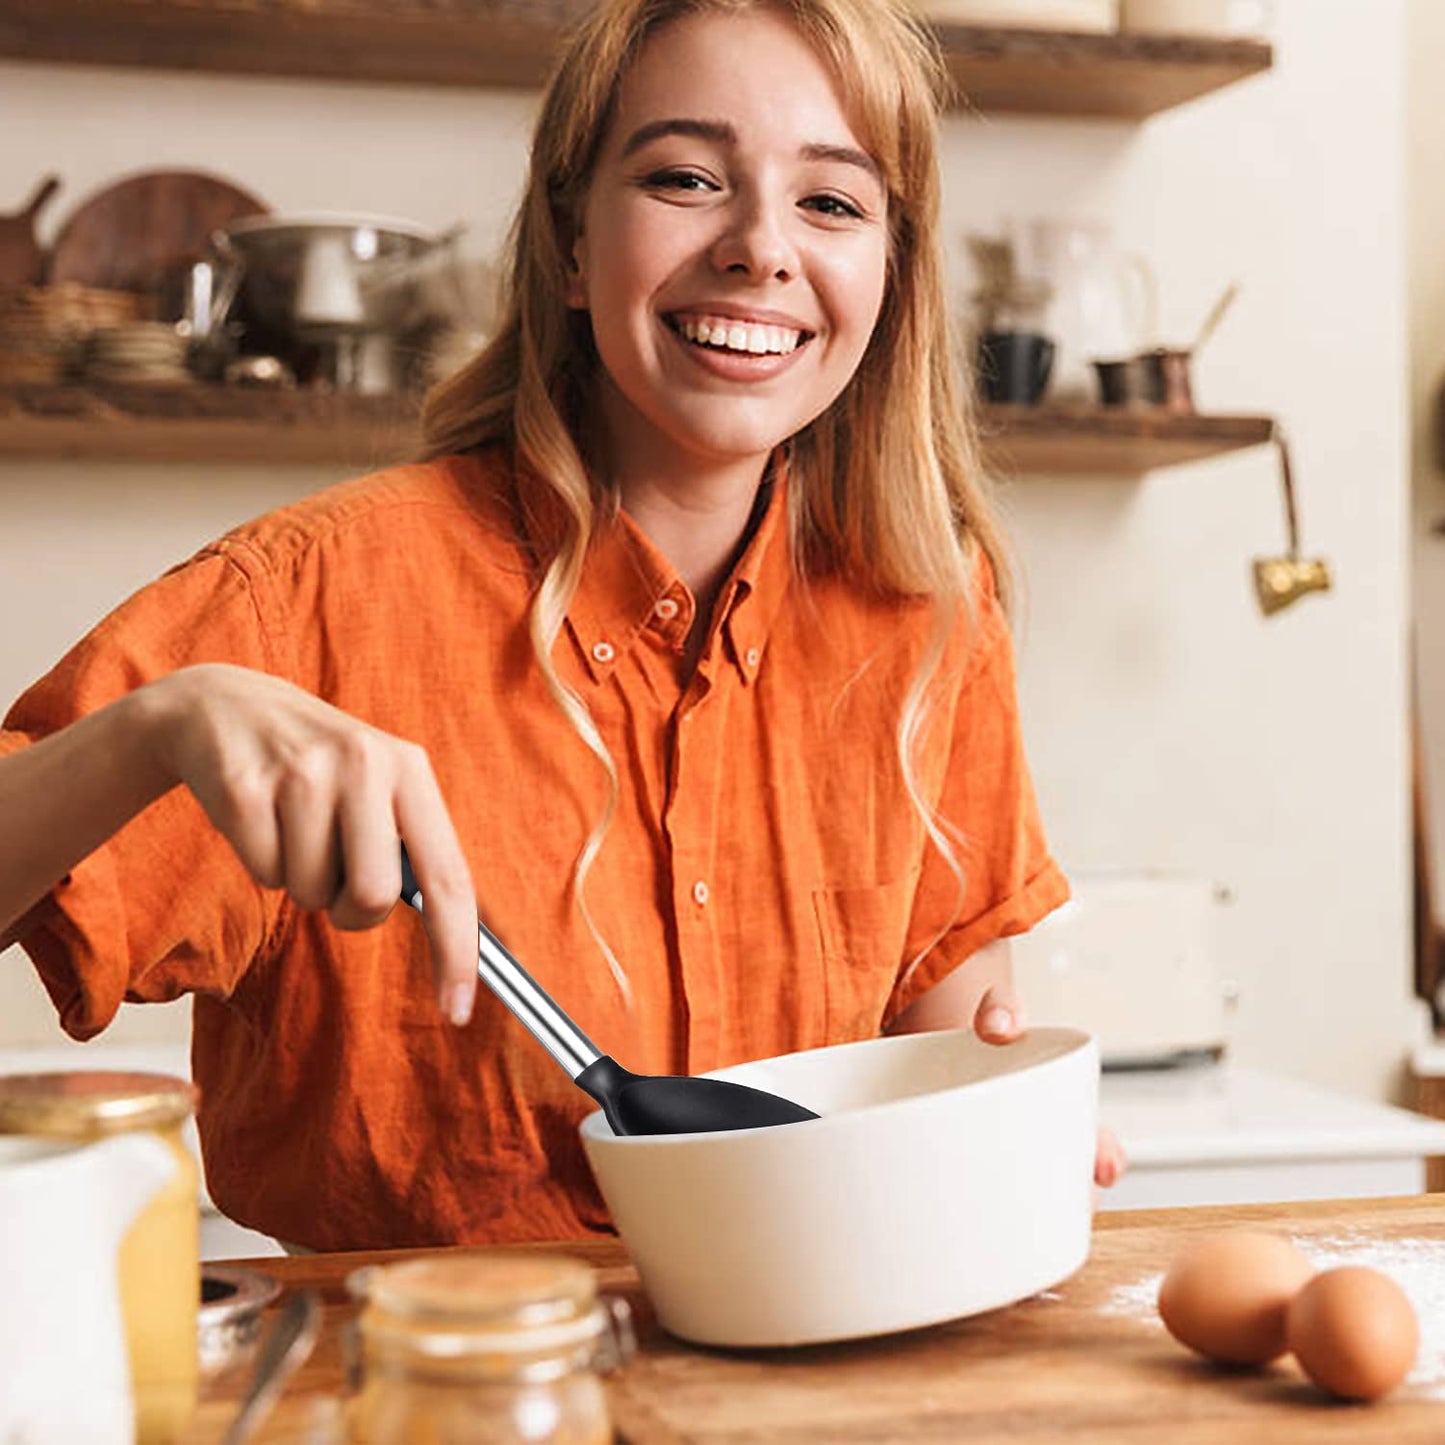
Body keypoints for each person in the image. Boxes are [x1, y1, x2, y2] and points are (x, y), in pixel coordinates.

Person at [0, 0, 1123, 1250]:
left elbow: (948, 1047)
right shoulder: (310, 596)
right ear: (570, 245)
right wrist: (160, 725)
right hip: (418, 1387)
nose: (760, 247)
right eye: (684, 177)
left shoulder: (928, 608)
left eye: (831, 202)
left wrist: (1001, 1127)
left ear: (889, 273)